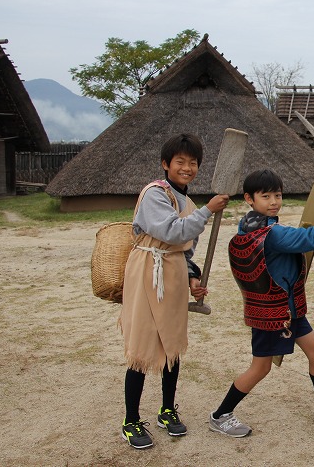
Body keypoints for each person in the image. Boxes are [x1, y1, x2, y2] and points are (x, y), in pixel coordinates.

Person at [208, 168, 314, 438]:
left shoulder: (252, 228)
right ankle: (220, 415)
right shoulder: (272, 235)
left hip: (289, 309)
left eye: (277, 194)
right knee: (260, 367)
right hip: (272, 314)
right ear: (249, 199)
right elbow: (311, 239)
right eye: (266, 196)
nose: (274, 201)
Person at [119, 133, 229, 449]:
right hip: (147, 273)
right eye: (180, 161)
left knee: (172, 344)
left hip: (174, 272)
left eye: (193, 162)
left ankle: (167, 410)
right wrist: (208, 210)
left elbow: (185, 248)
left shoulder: (188, 201)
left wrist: (193, 279)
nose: (187, 167)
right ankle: (130, 421)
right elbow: (171, 231)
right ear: (166, 164)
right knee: (141, 347)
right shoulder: (155, 194)